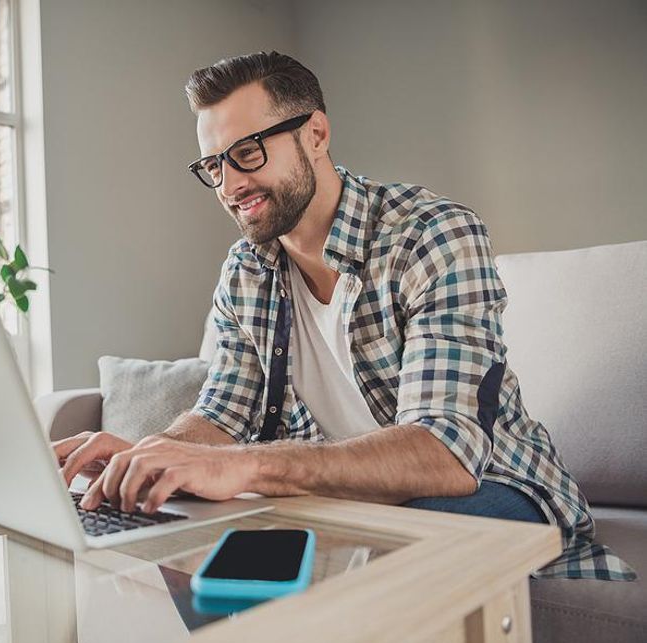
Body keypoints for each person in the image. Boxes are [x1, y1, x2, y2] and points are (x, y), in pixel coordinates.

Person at [52, 51, 633, 580]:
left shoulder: (431, 235)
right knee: (204, 552)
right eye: (213, 167)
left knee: (396, 541)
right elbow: (222, 416)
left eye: (247, 154)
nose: (230, 186)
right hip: (347, 496)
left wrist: (243, 469)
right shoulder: (247, 269)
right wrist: (148, 455)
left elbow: (445, 454)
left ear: (316, 134)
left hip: (493, 485)